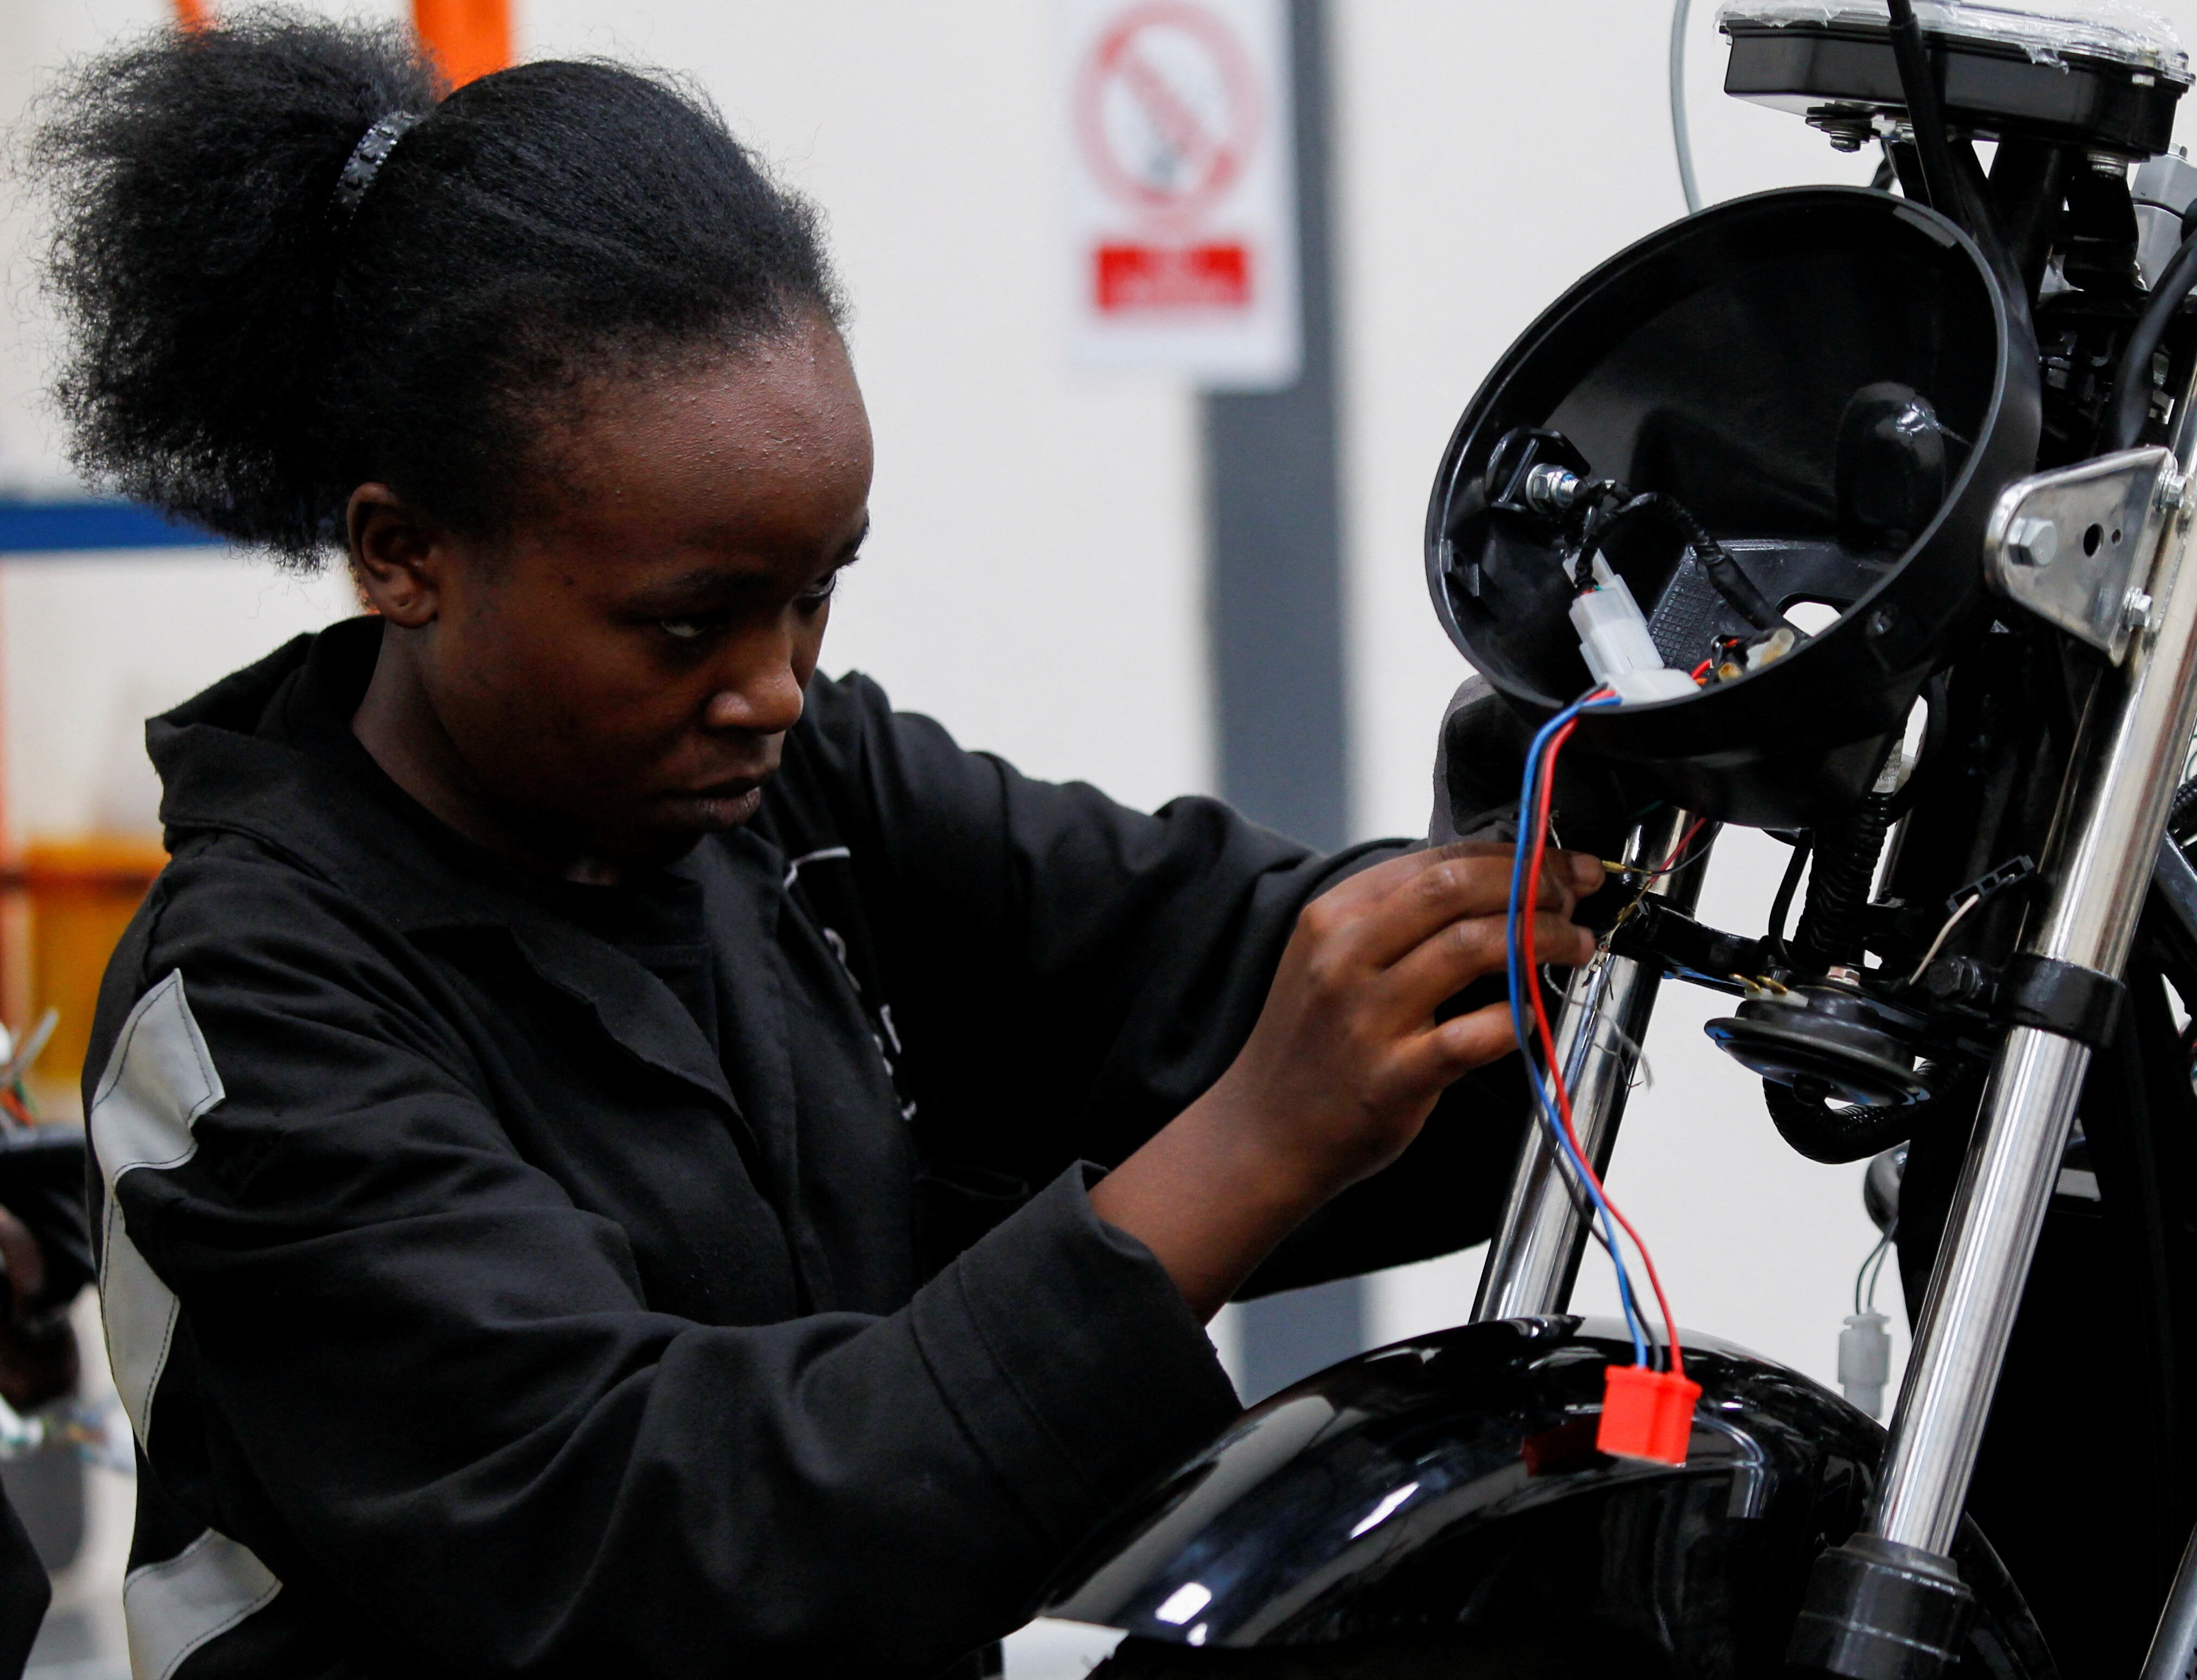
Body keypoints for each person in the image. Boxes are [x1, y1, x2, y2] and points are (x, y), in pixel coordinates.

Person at [28, 17, 1604, 1679]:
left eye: (817, 589)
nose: (773, 684)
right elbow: (674, 1539)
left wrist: (1573, 826)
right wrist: (1256, 1143)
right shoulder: (255, 1021)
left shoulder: (792, 790)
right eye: (690, 620)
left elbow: (1204, 958)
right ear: (403, 554)